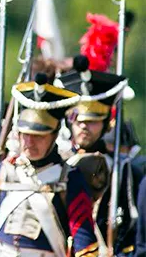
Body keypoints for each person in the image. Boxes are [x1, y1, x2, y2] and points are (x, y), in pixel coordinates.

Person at [0, 73, 99, 257]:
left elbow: (85, 244)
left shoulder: (69, 177)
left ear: (55, 133)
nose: (30, 142)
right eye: (25, 133)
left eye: (39, 135)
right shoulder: (4, 170)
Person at [57, 55, 144, 256]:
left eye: (93, 120)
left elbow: (135, 234)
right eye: (77, 120)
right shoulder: (57, 165)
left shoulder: (126, 171)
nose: (84, 126)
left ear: (107, 123)